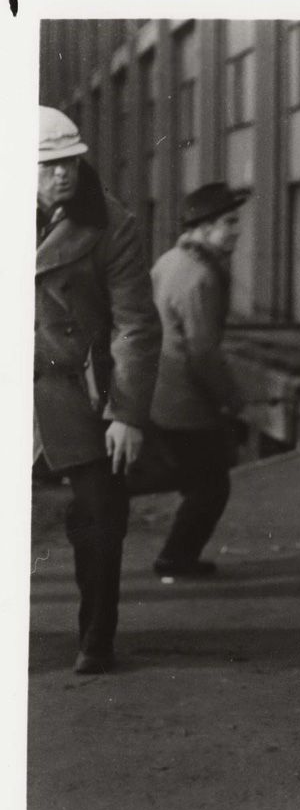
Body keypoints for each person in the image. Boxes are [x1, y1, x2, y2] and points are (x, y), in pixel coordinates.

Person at [34, 106, 161, 674]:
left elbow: (135, 322)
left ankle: (96, 640)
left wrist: (127, 413)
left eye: (69, 161)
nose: (62, 174)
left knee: (99, 515)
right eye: (46, 164)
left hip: (75, 385)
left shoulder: (110, 222)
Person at [147, 182, 248, 578]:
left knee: (196, 479)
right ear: (203, 228)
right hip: (184, 400)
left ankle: (177, 555)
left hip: (159, 390)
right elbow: (203, 352)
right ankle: (174, 558)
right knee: (211, 487)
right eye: (229, 222)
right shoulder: (199, 278)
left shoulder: (170, 261)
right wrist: (231, 399)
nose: (237, 229)